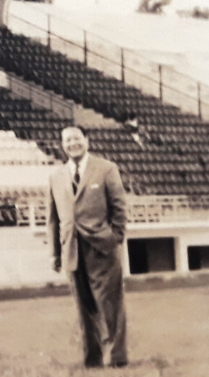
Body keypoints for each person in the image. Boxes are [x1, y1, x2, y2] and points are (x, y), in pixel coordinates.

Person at [49, 126, 128, 368]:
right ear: (62, 145)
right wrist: (55, 253)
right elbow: (53, 218)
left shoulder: (106, 168)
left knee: (110, 305)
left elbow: (120, 206)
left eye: (77, 138)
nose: (73, 143)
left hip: (102, 248)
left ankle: (117, 358)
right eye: (67, 140)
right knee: (83, 308)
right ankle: (92, 359)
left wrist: (115, 237)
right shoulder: (55, 176)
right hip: (71, 249)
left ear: (87, 140)